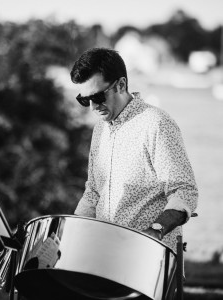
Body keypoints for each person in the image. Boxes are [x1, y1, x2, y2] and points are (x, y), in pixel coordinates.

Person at [70, 48, 198, 259]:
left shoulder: (156, 124)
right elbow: (93, 192)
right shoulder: (100, 129)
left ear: (121, 85)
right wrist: (70, 233)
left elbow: (184, 190)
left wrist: (156, 230)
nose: (92, 107)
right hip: (104, 255)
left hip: (148, 259)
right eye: (84, 100)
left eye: (98, 97)